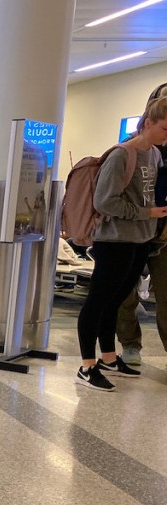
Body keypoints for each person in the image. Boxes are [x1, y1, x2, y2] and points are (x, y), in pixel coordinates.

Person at [75, 96, 167, 391]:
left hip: (141, 239)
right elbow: (104, 201)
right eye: (165, 129)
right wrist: (146, 213)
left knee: (114, 302)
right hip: (114, 240)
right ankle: (87, 366)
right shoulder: (121, 155)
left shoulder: (154, 154)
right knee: (98, 303)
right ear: (148, 123)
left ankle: (109, 357)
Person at [117, 82, 167, 367]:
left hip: (162, 234)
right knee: (125, 294)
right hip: (131, 231)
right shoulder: (132, 148)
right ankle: (130, 343)